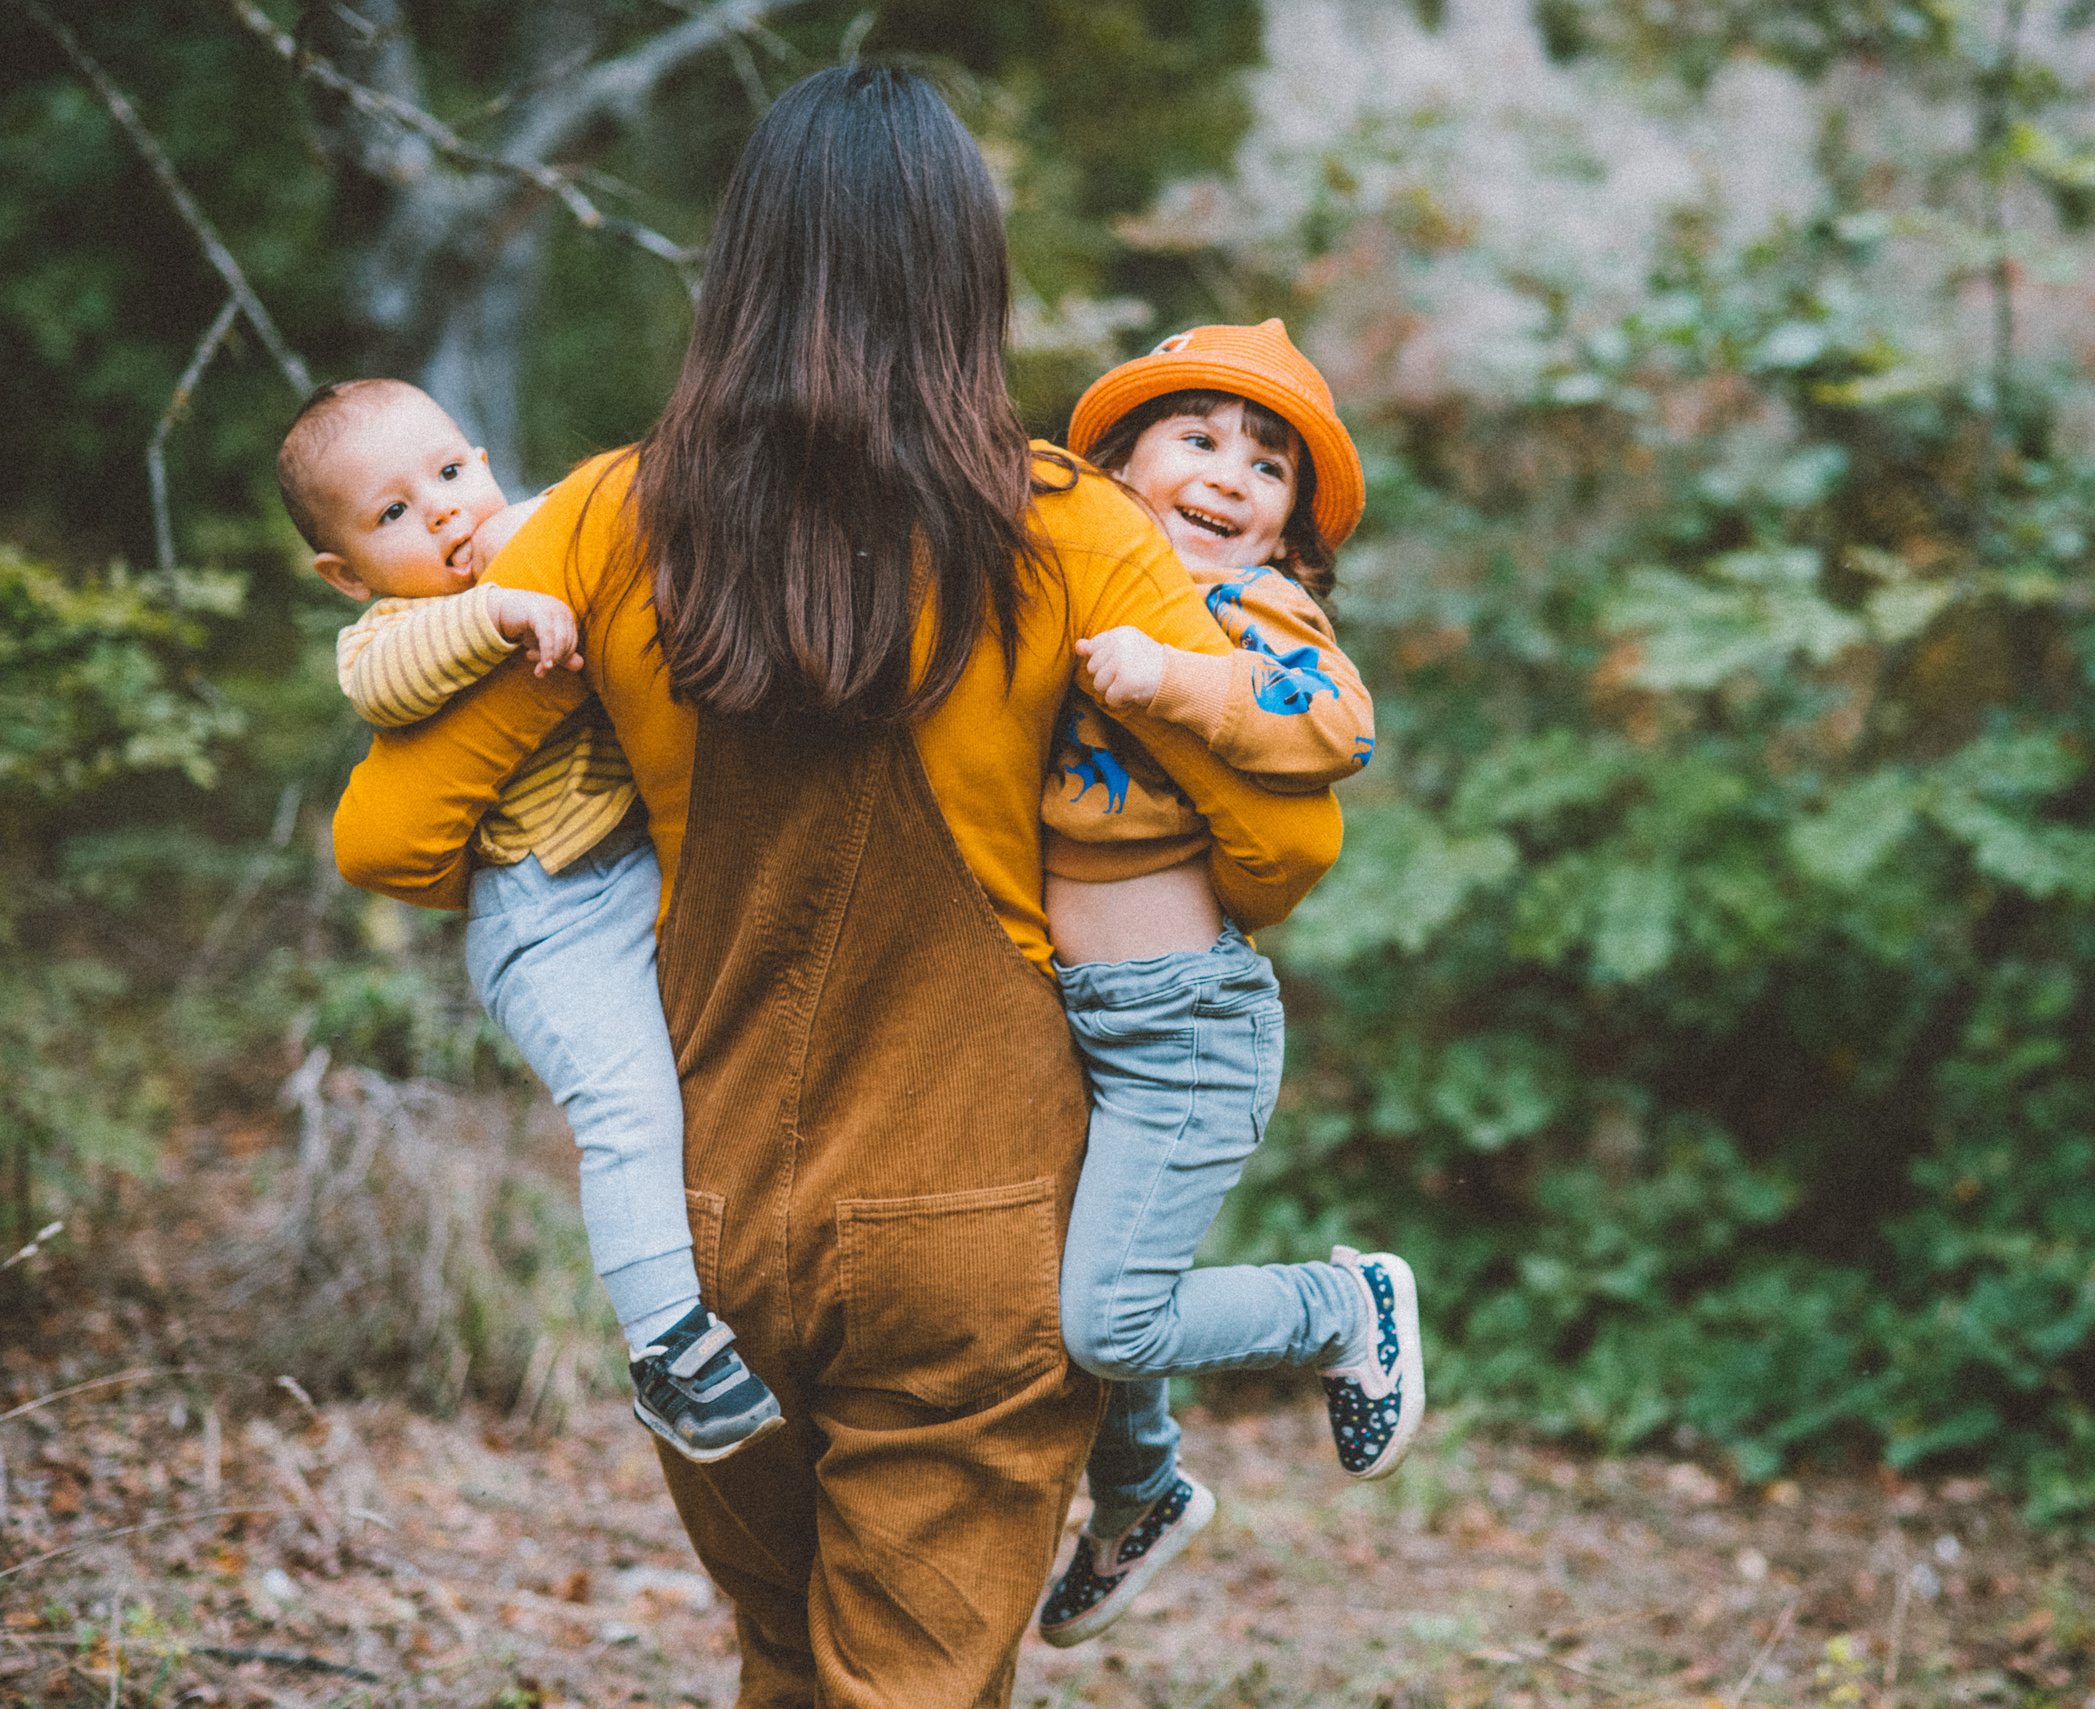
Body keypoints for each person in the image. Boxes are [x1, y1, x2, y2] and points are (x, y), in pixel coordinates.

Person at [328, 66, 1342, 1709]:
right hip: (981, 1224)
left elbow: (392, 841)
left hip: (707, 1220)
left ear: (740, 268)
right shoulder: (1077, 529)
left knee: (785, 1652)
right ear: (967, 279)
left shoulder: (596, 521)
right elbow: (1286, 855)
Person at [279, 377, 784, 1463]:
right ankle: (666, 1349)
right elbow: (389, 687)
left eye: (453, 473)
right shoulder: (388, 631)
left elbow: (609, 512)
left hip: (647, 871)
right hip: (545, 917)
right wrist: (499, 609)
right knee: (630, 1108)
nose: (447, 512)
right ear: (344, 570)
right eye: (394, 514)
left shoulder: (531, 532)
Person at [1030, 322, 1423, 1650]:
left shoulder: (1248, 612)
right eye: (1195, 440)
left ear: (1284, 533)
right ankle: (1135, 1492)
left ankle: (1339, 1306)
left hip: (1182, 1026)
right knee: (1069, 1273)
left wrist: (1182, 677)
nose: (1230, 474)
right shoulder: (1071, 593)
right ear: (1117, 474)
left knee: (1109, 1314)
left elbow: (1334, 721)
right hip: (1067, 1017)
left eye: (1267, 466)